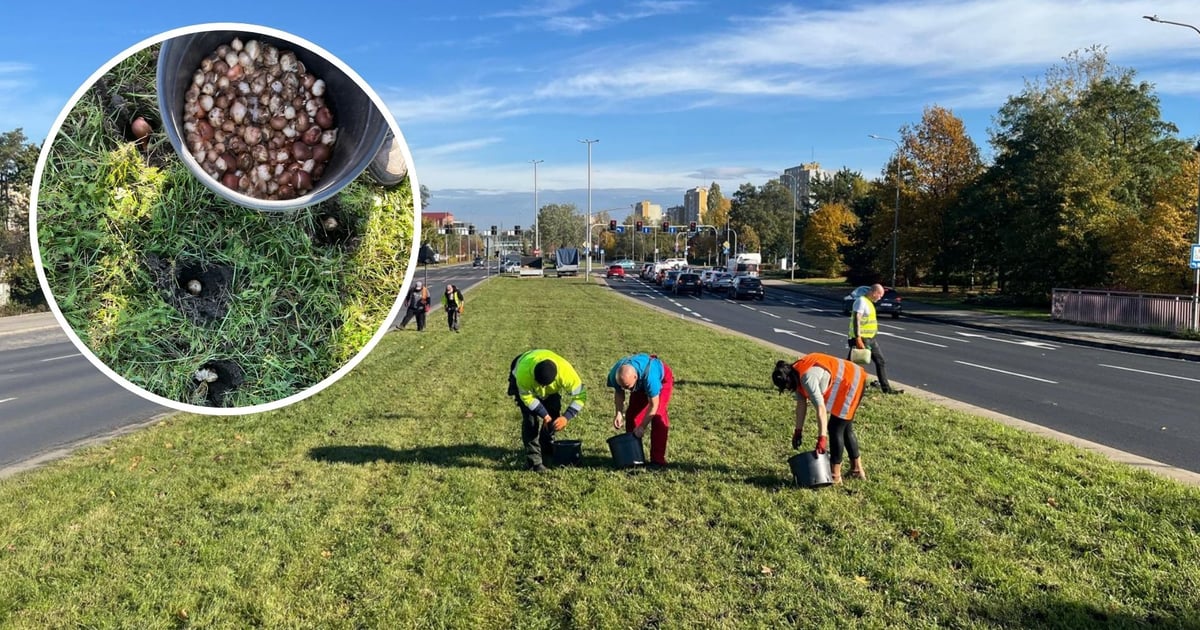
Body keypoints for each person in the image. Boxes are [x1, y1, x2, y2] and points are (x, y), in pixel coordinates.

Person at [772, 354, 868, 483]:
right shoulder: (794, 373)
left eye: (788, 386)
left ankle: (835, 475)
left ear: (789, 378)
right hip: (848, 380)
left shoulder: (807, 378)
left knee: (835, 428)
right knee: (845, 428)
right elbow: (801, 405)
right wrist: (798, 431)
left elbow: (820, 408)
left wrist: (822, 439)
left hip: (851, 382)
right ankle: (856, 470)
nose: (789, 389)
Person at [507, 349, 588, 473]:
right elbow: (527, 398)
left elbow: (580, 396)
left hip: (552, 388)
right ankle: (534, 462)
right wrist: (543, 414)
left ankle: (547, 447)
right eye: (539, 384)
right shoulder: (523, 374)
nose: (542, 390)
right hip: (523, 369)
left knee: (554, 413)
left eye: (545, 386)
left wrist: (566, 417)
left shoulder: (566, 373)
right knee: (531, 421)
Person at [607, 353, 674, 469]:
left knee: (658, 417)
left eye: (627, 386)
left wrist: (642, 426)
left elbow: (653, 405)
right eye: (623, 386)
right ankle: (632, 456)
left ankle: (657, 461)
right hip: (640, 382)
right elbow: (619, 392)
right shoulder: (616, 375)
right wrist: (618, 413)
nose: (626, 389)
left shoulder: (650, 377)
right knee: (632, 416)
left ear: (635, 377)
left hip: (661, 380)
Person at [848, 283, 902, 394]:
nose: (880, 298)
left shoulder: (869, 303)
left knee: (880, 361)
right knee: (852, 364)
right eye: (880, 295)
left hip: (870, 339)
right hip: (861, 338)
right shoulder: (861, 301)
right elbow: (856, 320)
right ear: (874, 292)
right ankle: (844, 384)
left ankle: (886, 390)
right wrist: (858, 338)